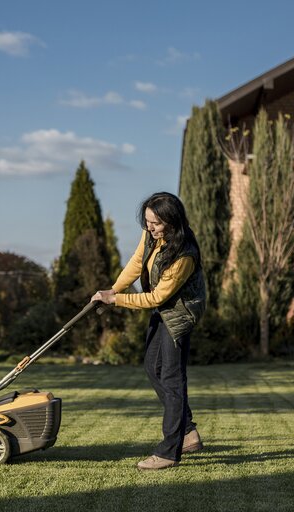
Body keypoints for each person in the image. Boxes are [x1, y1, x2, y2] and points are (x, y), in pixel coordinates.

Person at [91, 191, 206, 470]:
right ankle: (188, 431)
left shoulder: (184, 255)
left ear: (171, 221)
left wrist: (116, 300)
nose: (149, 228)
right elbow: (136, 261)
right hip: (162, 310)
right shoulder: (151, 235)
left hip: (178, 315)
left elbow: (155, 298)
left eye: (155, 223)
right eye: (146, 222)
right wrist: (113, 289)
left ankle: (169, 451)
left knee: (171, 378)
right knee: (152, 368)